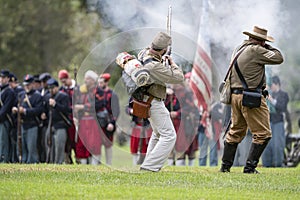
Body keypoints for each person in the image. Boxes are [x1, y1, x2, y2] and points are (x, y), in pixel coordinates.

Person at [220, 26, 284, 173]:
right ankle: (249, 168)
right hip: (250, 97)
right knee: (263, 134)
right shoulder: (256, 50)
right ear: (261, 41)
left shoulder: (239, 48)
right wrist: (268, 47)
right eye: (264, 41)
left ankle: (225, 167)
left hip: (235, 96)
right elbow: (279, 57)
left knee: (235, 132)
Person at [136, 31, 184, 172]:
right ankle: (150, 167)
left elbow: (155, 58)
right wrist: (172, 63)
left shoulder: (143, 53)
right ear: (163, 50)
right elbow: (178, 78)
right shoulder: (154, 66)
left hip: (146, 98)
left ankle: (148, 163)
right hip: (153, 101)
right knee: (169, 136)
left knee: (158, 134)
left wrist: (162, 57)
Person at [73, 70, 105, 165]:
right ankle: (83, 165)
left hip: (94, 121)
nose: (85, 80)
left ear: (92, 80)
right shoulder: (81, 90)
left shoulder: (98, 90)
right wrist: (76, 116)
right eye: (85, 78)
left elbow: (99, 104)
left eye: (88, 78)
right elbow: (76, 103)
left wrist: (84, 107)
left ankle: (94, 164)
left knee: (94, 143)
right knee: (82, 143)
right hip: (82, 121)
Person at [12, 74, 44, 163]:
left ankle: (32, 162)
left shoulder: (37, 96)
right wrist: (16, 110)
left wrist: (25, 111)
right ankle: (24, 161)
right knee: (23, 146)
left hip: (32, 124)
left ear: (33, 84)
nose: (27, 86)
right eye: (25, 84)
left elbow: (39, 109)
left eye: (29, 84)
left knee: (31, 147)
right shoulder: (21, 95)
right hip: (23, 124)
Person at [262, 75, 289, 167]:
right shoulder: (270, 94)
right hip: (269, 122)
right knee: (267, 145)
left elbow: (282, 107)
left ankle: (278, 164)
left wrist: (271, 99)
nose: (271, 87)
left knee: (278, 145)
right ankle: (267, 164)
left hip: (278, 123)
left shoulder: (284, 95)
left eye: (272, 84)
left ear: (277, 84)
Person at [44, 78, 71, 164]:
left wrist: (56, 104)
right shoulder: (47, 96)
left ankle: (59, 163)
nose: (51, 90)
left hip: (61, 124)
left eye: (53, 88)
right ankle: (50, 162)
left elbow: (67, 110)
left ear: (57, 87)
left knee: (59, 145)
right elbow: (46, 109)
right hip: (51, 124)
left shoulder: (63, 96)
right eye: (50, 88)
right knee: (48, 144)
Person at [98, 73, 120, 165]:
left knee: (108, 145)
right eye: (99, 83)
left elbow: (116, 111)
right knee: (97, 144)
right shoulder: (97, 94)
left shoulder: (112, 94)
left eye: (101, 83)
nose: (99, 85)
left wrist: (112, 122)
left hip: (108, 122)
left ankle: (108, 164)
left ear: (106, 83)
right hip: (98, 123)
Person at [126, 97, 152, 165]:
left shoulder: (149, 96)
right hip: (136, 126)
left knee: (146, 148)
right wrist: (131, 110)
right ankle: (135, 164)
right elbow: (127, 108)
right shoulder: (134, 96)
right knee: (135, 146)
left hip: (146, 127)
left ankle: (146, 164)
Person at [58, 69, 77, 164]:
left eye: (65, 80)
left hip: (77, 119)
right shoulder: (61, 90)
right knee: (67, 141)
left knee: (76, 141)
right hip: (66, 119)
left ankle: (79, 159)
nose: (64, 83)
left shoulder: (77, 88)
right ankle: (68, 159)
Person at [8, 73, 24, 163]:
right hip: (13, 120)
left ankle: (18, 158)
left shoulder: (19, 91)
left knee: (19, 141)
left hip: (19, 119)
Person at [0, 70, 15, 163]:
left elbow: (5, 108)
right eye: (0, 77)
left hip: (4, 120)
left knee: (4, 141)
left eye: (3, 78)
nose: (1, 79)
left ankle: (4, 159)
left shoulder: (9, 91)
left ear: (7, 79)